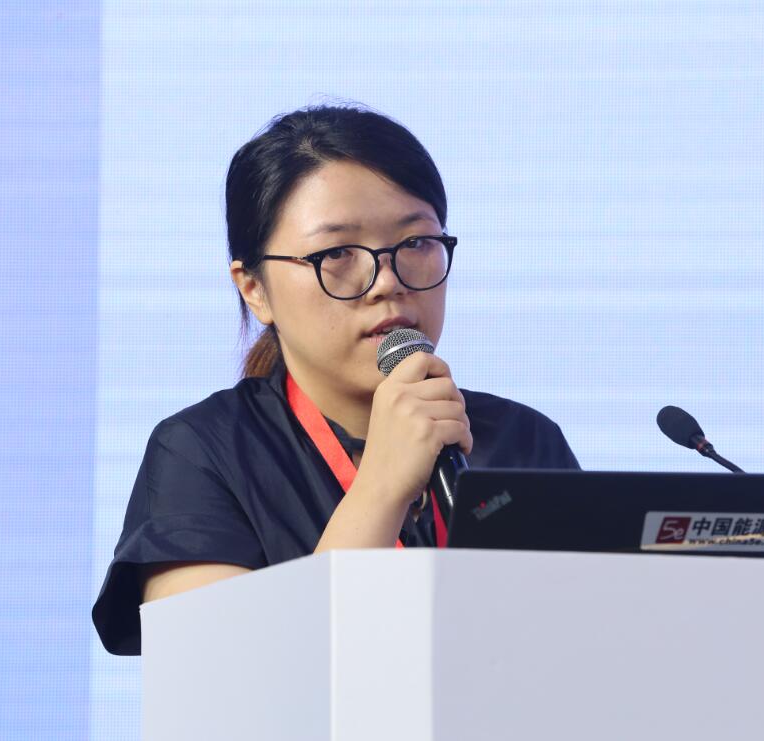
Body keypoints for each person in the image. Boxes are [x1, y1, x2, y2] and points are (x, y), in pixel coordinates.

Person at [92, 104, 580, 655]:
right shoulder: (201, 454)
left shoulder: (521, 441)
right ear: (254, 289)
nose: (387, 281)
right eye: (338, 253)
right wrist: (381, 488)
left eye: (416, 242)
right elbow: (219, 677)